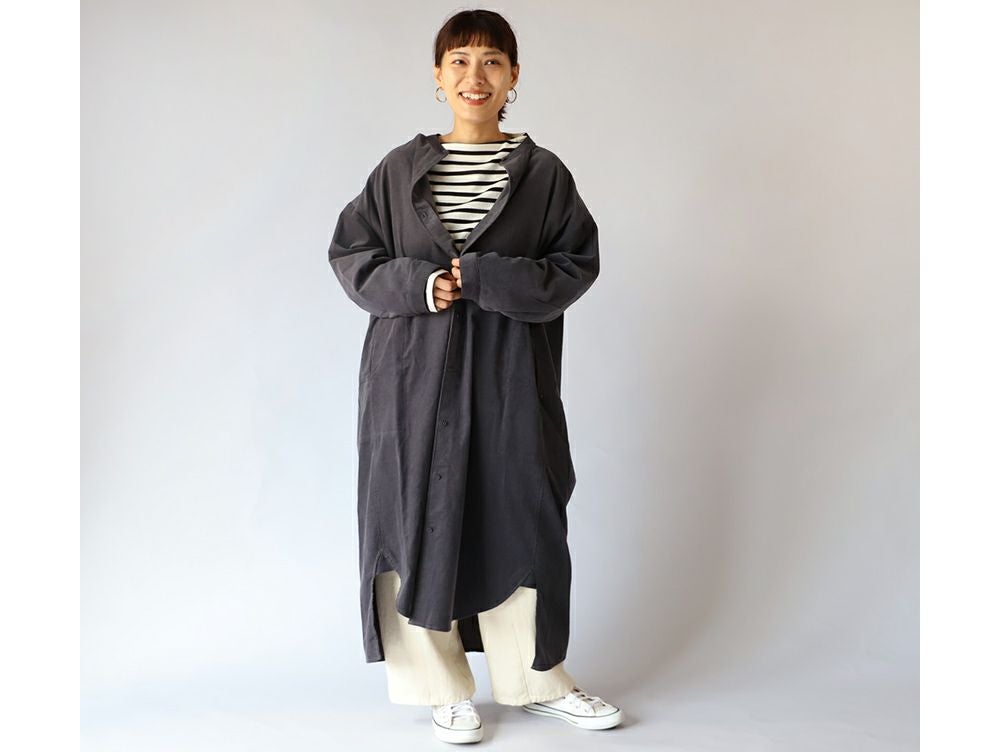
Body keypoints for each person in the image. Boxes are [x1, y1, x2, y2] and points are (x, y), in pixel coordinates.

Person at [327, 9, 623, 743]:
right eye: (458, 60)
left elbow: (574, 265)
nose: (474, 76)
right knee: (412, 514)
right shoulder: (398, 171)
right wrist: (422, 285)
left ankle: (538, 681)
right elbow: (352, 255)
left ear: (514, 76)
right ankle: (438, 687)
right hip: (409, 378)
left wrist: (487, 278)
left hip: (509, 376)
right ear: (437, 76)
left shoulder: (544, 175)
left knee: (522, 510)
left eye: (491, 61)